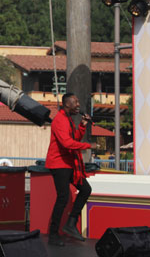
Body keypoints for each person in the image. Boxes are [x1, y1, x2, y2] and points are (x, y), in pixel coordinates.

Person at [45, 93, 99, 246]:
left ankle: (71, 223)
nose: (78, 105)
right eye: (75, 102)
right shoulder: (59, 120)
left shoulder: (68, 119)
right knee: (62, 197)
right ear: (66, 104)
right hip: (59, 164)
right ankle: (53, 235)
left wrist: (82, 125)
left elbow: (74, 138)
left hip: (69, 163)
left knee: (85, 189)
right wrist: (89, 145)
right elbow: (67, 143)